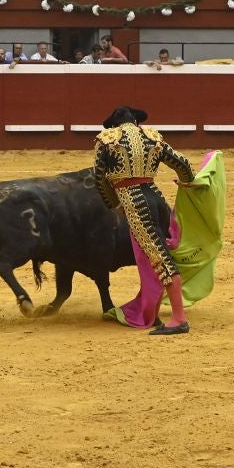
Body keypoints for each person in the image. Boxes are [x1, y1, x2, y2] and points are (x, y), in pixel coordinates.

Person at [93, 106, 195, 335]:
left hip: (135, 202)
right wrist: (188, 184)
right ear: (136, 122)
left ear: (114, 125)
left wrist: (115, 204)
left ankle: (179, 318)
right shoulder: (152, 136)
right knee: (158, 254)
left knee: (159, 258)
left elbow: (99, 179)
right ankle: (155, 310)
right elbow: (183, 164)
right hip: (157, 199)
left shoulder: (107, 139)